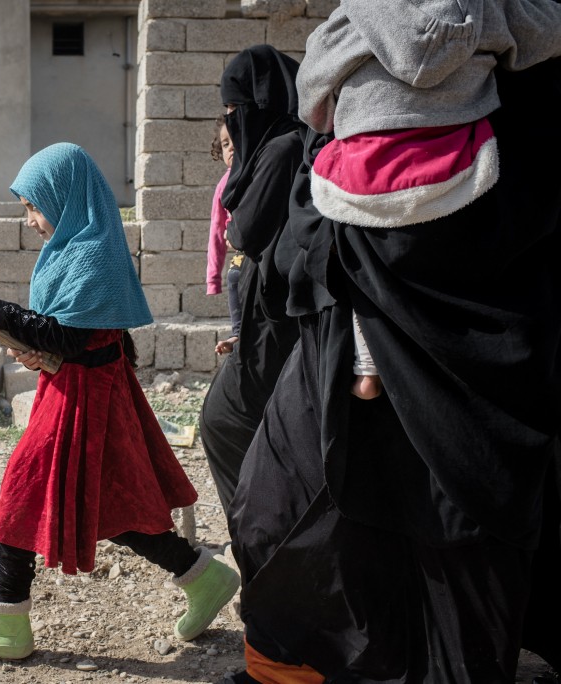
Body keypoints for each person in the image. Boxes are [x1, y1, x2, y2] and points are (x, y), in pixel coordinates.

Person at [223, 3, 561, 679]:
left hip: (441, 358)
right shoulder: (528, 64)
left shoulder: (338, 60)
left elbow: (295, 217)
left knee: (329, 517)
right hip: (451, 343)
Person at [0, 142, 240, 661]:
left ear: (66, 196)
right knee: (114, 502)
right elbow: (80, 338)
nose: (31, 219)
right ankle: (203, 577)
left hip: (85, 400)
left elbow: (73, 338)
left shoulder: (91, 253)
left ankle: (5, 623)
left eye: (34, 206)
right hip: (84, 390)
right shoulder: (76, 247)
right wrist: (38, 352)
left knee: (20, 492)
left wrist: (3, 315)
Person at [295, 0, 561, 402]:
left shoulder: (351, 18)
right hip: (460, 170)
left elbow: (310, 93)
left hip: (362, 177)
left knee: (351, 248)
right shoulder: (491, 8)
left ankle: (367, 364)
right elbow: (546, 33)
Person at [197, 45, 305, 514]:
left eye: (234, 110)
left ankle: (262, 530)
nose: (231, 123)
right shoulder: (288, 144)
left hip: (278, 323)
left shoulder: (282, 150)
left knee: (226, 423)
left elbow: (243, 229)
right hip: (268, 321)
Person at [206, 119, 242, 355]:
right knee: (235, 277)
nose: (231, 148)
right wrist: (213, 278)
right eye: (225, 143)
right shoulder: (224, 185)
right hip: (241, 253)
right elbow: (217, 231)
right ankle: (237, 332)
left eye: (235, 141)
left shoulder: (264, 170)